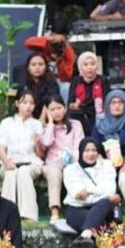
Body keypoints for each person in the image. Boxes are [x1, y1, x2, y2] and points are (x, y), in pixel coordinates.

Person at [0, 90, 45, 222]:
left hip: (31, 163)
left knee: (23, 172)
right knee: (11, 173)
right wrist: (7, 163)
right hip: (9, 162)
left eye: (32, 103)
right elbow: (1, 149)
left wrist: (37, 143)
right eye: (25, 102)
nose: (29, 106)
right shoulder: (7, 123)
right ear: (17, 103)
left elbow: (40, 154)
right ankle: (6, 216)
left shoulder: (37, 124)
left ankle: (29, 215)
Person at [62, 138, 123, 237]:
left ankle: (86, 235)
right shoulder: (70, 170)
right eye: (87, 150)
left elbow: (110, 191)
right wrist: (102, 193)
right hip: (77, 209)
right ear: (81, 152)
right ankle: (88, 234)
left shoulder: (107, 166)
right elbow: (79, 195)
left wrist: (89, 191)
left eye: (94, 150)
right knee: (100, 221)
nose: (91, 154)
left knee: (104, 204)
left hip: (104, 208)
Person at [39, 95, 85, 224]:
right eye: (52, 109)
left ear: (65, 108)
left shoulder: (76, 125)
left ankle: (79, 209)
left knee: (73, 169)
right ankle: (55, 211)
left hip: (71, 162)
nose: (57, 112)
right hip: (52, 165)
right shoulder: (46, 128)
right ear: (48, 112)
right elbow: (46, 143)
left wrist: (74, 163)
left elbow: (78, 148)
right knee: (54, 171)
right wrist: (50, 124)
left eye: (59, 108)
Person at [23, 20, 77, 86]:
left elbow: (65, 78)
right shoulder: (44, 44)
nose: (57, 43)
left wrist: (59, 61)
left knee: (66, 86)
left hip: (57, 83)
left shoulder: (68, 52)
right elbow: (27, 43)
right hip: (40, 80)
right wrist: (49, 39)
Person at [68, 52, 107, 137]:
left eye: (92, 64)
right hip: (80, 114)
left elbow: (107, 100)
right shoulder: (76, 81)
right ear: (80, 67)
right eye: (85, 64)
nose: (89, 67)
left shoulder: (102, 80)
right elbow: (70, 103)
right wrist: (75, 105)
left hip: (98, 114)